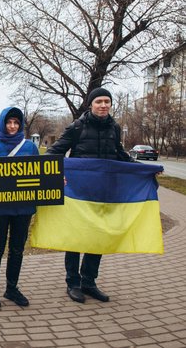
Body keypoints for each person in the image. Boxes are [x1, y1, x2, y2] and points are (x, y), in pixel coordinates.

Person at [46, 87, 132, 303]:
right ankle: (73, 283)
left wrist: (145, 169)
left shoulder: (114, 128)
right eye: (99, 101)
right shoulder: (77, 127)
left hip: (103, 193)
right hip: (77, 193)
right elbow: (53, 152)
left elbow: (120, 155)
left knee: (98, 236)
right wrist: (57, 176)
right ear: (91, 105)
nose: (103, 105)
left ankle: (89, 282)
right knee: (76, 238)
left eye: (107, 101)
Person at [0, 107, 39, 309]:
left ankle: (12, 288)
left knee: (17, 249)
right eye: (9, 122)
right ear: (2, 124)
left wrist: (57, 180)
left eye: (16, 122)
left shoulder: (30, 148)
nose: (13, 126)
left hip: (22, 208)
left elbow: (39, 173)